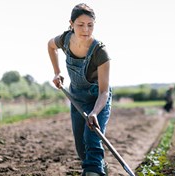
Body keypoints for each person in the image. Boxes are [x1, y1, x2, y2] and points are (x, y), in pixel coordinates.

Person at [47, 3, 111, 176]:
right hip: (77, 98)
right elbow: (50, 45)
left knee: (92, 139)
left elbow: (104, 92)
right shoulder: (66, 39)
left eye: (90, 25)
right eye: (80, 25)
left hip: (97, 99)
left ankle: (93, 172)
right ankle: (98, 166)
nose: (86, 30)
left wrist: (95, 113)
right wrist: (57, 72)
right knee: (81, 147)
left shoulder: (100, 52)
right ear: (71, 23)